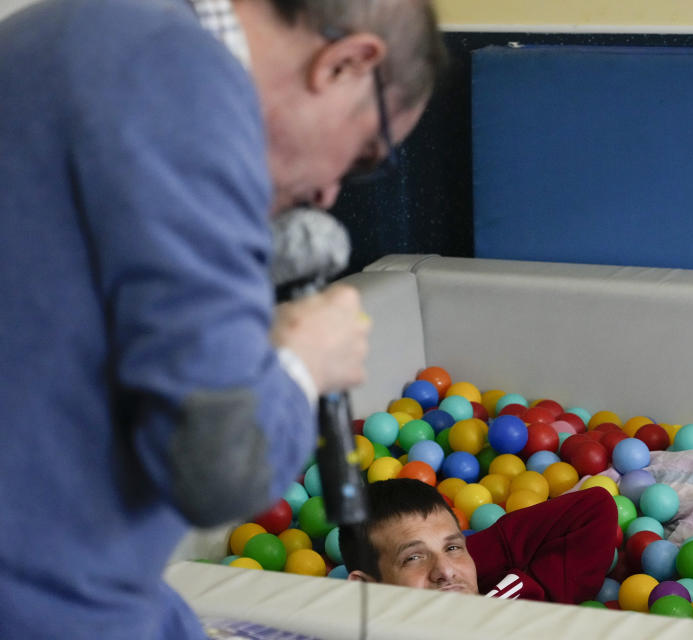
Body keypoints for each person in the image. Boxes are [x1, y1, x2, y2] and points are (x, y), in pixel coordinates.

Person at [0, 0, 445, 638]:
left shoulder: (75, 26)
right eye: (366, 156)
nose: (328, 194)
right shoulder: (192, 88)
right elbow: (220, 467)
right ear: (347, 64)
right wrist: (304, 363)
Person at [340, 478, 619, 603]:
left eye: (453, 547)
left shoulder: (517, 600)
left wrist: (463, 569)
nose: (445, 570)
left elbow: (594, 509)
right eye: (413, 557)